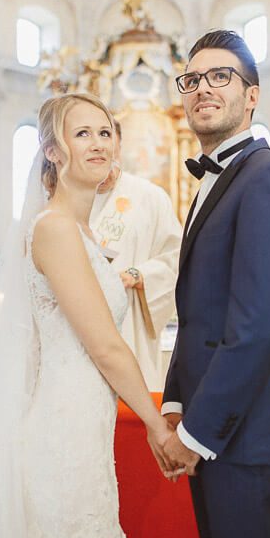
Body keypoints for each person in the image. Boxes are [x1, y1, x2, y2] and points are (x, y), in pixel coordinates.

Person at [0, 93, 180, 538]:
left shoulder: (82, 230)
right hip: (64, 427)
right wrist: (156, 425)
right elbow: (104, 346)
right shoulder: (55, 228)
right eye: (81, 134)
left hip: (84, 422)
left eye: (104, 133)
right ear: (52, 151)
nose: (98, 144)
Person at [160, 30, 270, 538]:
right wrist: (176, 401)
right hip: (216, 427)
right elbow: (199, 311)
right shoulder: (216, 180)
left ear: (251, 95)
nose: (203, 88)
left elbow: (256, 326)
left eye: (220, 76)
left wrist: (198, 433)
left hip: (245, 437)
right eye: (193, 79)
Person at [91, 120, 183, 389]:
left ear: (118, 146)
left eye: (106, 137)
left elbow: (177, 258)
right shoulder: (64, 198)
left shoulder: (150, 198)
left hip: (131, 324)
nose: (99, 148)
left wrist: (137, 275)